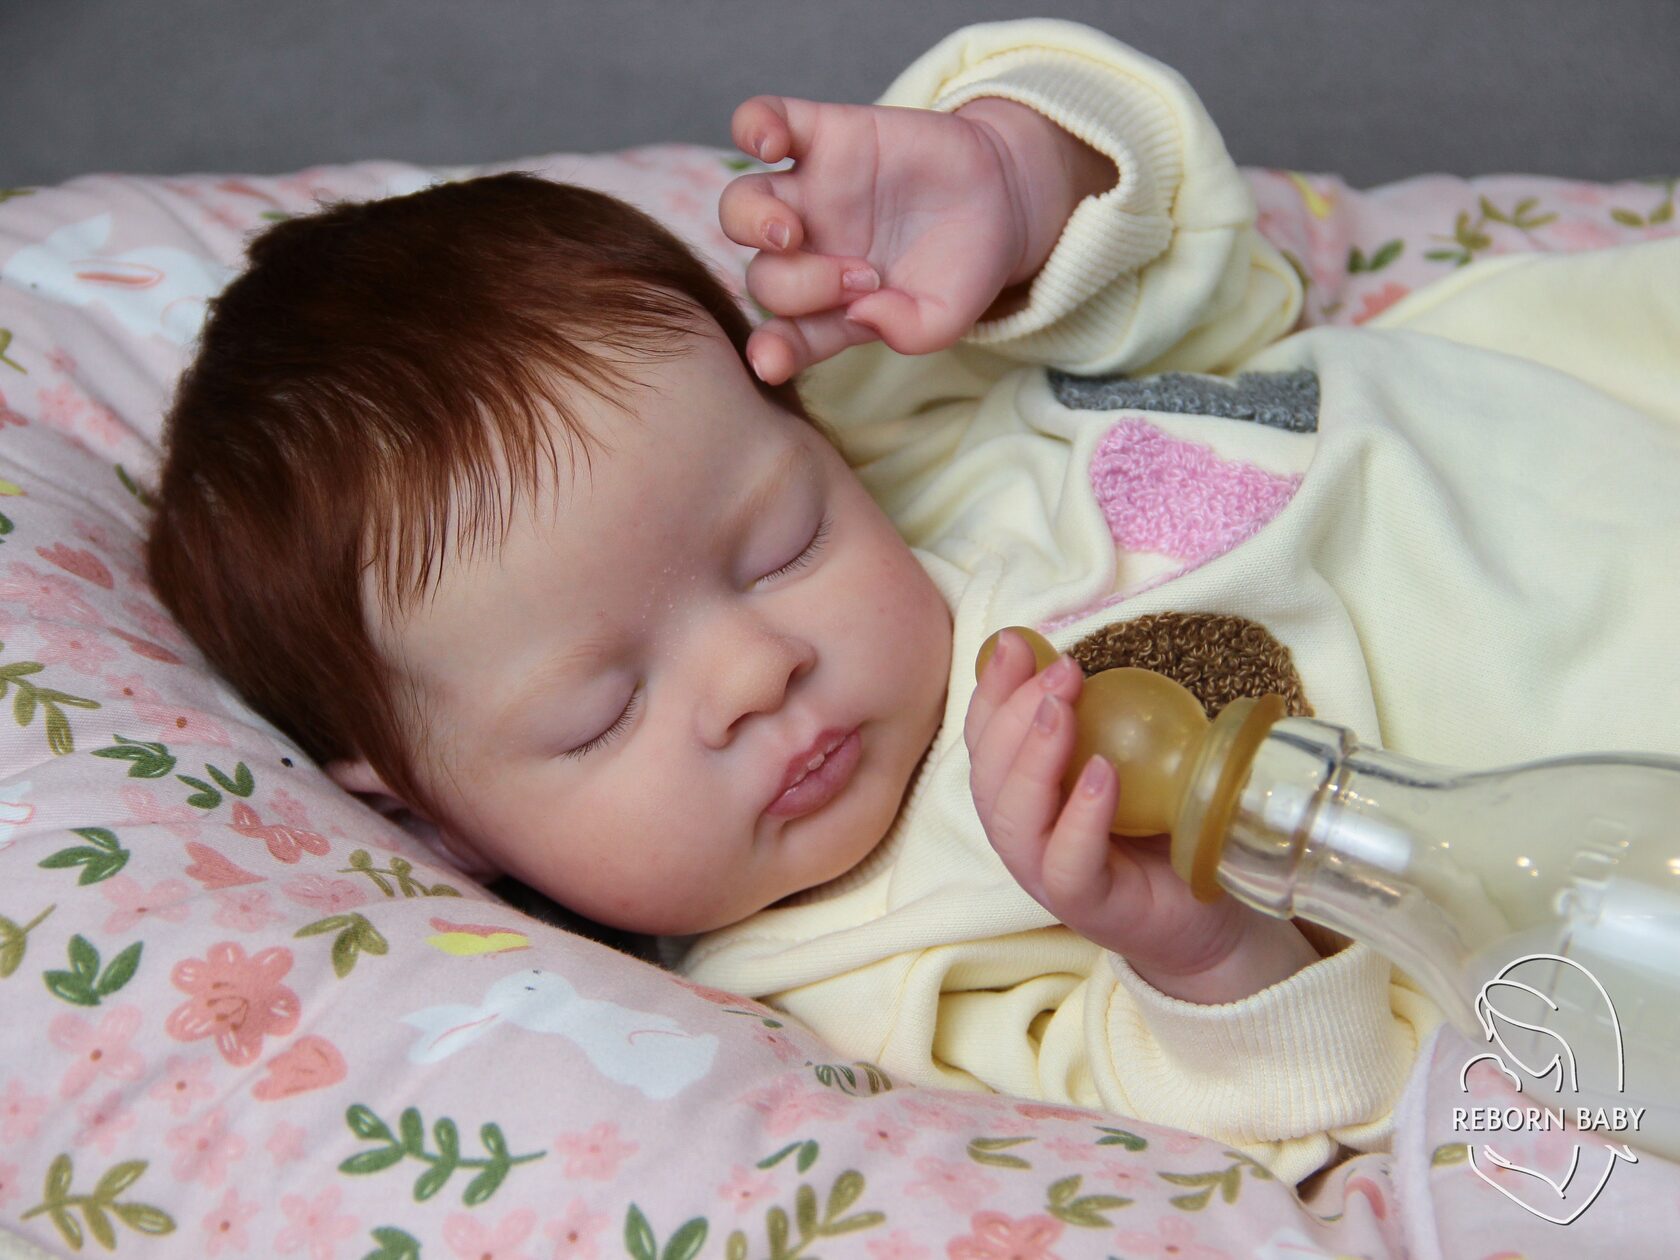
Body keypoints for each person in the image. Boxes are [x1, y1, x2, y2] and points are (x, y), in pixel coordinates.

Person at [144, 18, 1680, 1185]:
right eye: (603, 710)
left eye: (778, 545)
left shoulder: (909, 428)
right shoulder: (846, 982)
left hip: (1602, 418)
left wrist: (1013, 175)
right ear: (435, 819)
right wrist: (1202, 956)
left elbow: (1198, 273)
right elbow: (1281, 1103)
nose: (757, 668)